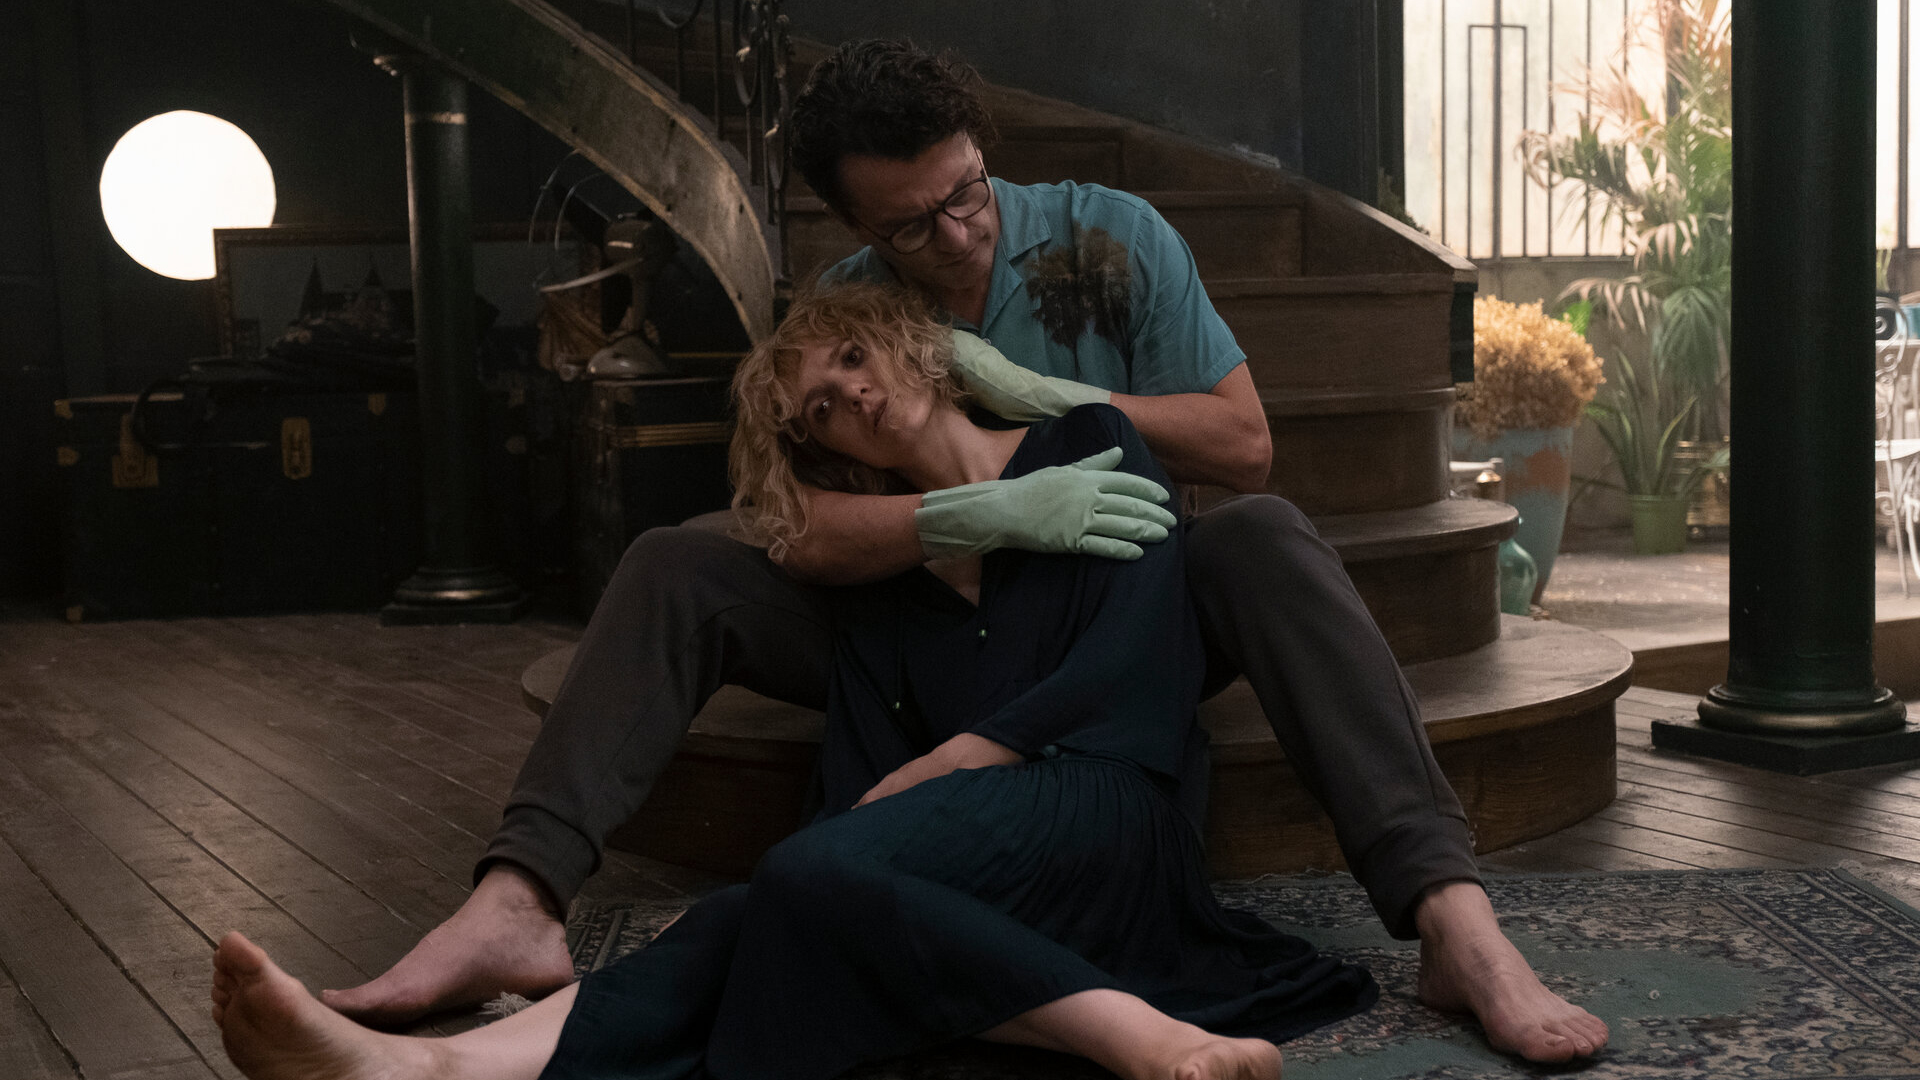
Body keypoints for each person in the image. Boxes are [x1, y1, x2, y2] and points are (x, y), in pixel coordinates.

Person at [326, 38, 1609, 1064]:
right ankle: (517, 901)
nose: (954, 235)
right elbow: (789, 522)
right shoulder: (848, 307)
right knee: (674, 561)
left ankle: (1454, 921)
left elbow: (1245, 445)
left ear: (981, 152)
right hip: (927, 626)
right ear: (855, 226)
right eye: (910, 226)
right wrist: (976, 514)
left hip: (1115, 616)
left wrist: (1051, 403)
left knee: (1266, 539)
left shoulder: (1110, 239)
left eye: (965, 193)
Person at [212, 282, 1378, 1080]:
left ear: (911, 347)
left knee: (800, 878)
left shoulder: (1090, 447)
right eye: (822, 405)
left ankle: (1140, 1040)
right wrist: (897, 797)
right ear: (829, 449)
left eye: (854, 359)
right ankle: (434, 1068)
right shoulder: (880, 568)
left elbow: (1137, 674)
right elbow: (863, 767)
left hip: (1109, 805)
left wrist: (957, 758)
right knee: (775, 899)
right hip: (972, 857)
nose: (850, 395)